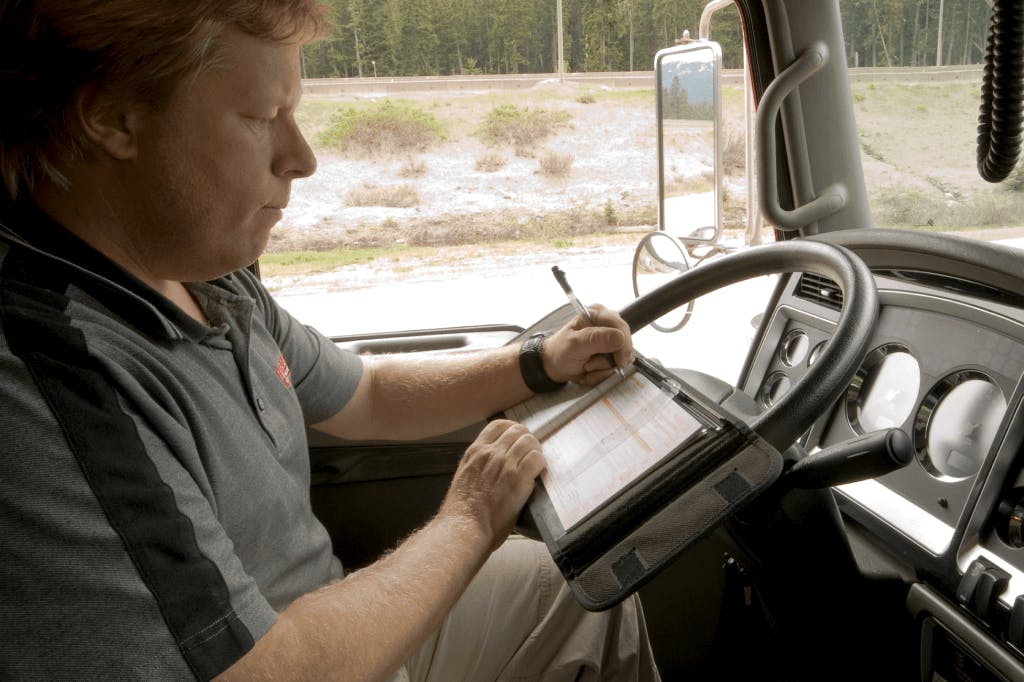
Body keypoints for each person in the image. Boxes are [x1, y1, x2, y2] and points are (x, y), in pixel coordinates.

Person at [0, 2, 661, 680]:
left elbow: (368, 394)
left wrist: (540, 363)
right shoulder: (50, 378)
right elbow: (259, 673)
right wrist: (470, 517)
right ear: (113, 117)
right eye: (263, 117)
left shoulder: (208, 278)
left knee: (582, 587)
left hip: (335, 632)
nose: (303, 158)